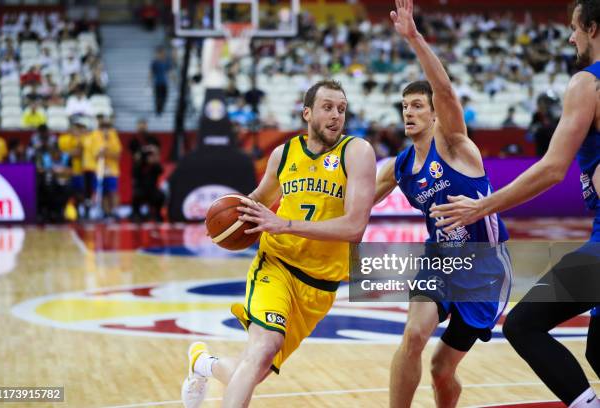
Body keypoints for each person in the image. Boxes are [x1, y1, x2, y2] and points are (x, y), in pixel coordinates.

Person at [429, 2, 600, 406]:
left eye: (575, 28)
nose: (571, 37)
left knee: (524, 324)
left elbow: (552, 169)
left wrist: (480, 206)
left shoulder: (587, 84)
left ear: (593, 28)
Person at [180, 79, 376, 408]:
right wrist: (228, 222)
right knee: (262, 350)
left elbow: (355, 227)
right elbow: (258, 200)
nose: (336, 116)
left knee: (252, 371)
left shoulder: (357, 152)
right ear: (307, 113)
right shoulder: (283, 154)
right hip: (277, 265)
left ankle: (202, 364)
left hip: (321, 285)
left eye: (341, 109)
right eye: (327, 107)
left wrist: (284, 223)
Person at [374, 1, 511, 407]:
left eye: (418, 106)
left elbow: (446, 90)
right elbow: (357, 205)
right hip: (440, 259)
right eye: (405, 107)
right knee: (413, 335)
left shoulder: (454, 146)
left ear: (436, 116)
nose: (409, 112)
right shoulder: (400, 166)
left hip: (483, 267)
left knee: (441, 371)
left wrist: (413, 37)